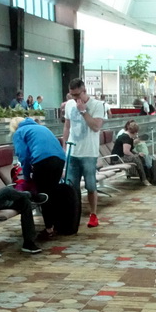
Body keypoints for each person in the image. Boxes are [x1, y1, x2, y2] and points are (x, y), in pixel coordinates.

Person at [10, 117, 65, 242]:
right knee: (52, 192)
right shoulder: (41, 127)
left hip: (43, 160)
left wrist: (27, 176)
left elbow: (23, 156)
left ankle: (49, 229)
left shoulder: (19, 132)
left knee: (43, 194)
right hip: (60, 158)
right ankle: (57, 225)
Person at [62, 78, 105, 229]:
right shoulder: (69, 105)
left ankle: (93, 214)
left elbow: (96, 127)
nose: (75, 98)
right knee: (72, 187)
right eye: (72, 95)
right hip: (73, 152)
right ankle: (75, 215)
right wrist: (64, 146)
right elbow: (67, 126)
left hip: (89, 153)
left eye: (77, 95)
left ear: (84, 91)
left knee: (90, 185)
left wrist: (84, 112)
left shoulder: (97, 105)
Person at [111, 120, 149, 184]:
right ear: (134, 132)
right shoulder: (126, 138)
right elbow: (126, 151)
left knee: (139, 156)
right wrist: (136, 155)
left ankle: (146, 176)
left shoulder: (128, 137)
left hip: (121, 157)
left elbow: (130, 150)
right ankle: (144, 179)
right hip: (117, 159)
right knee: (136, 158)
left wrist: (137, 153)